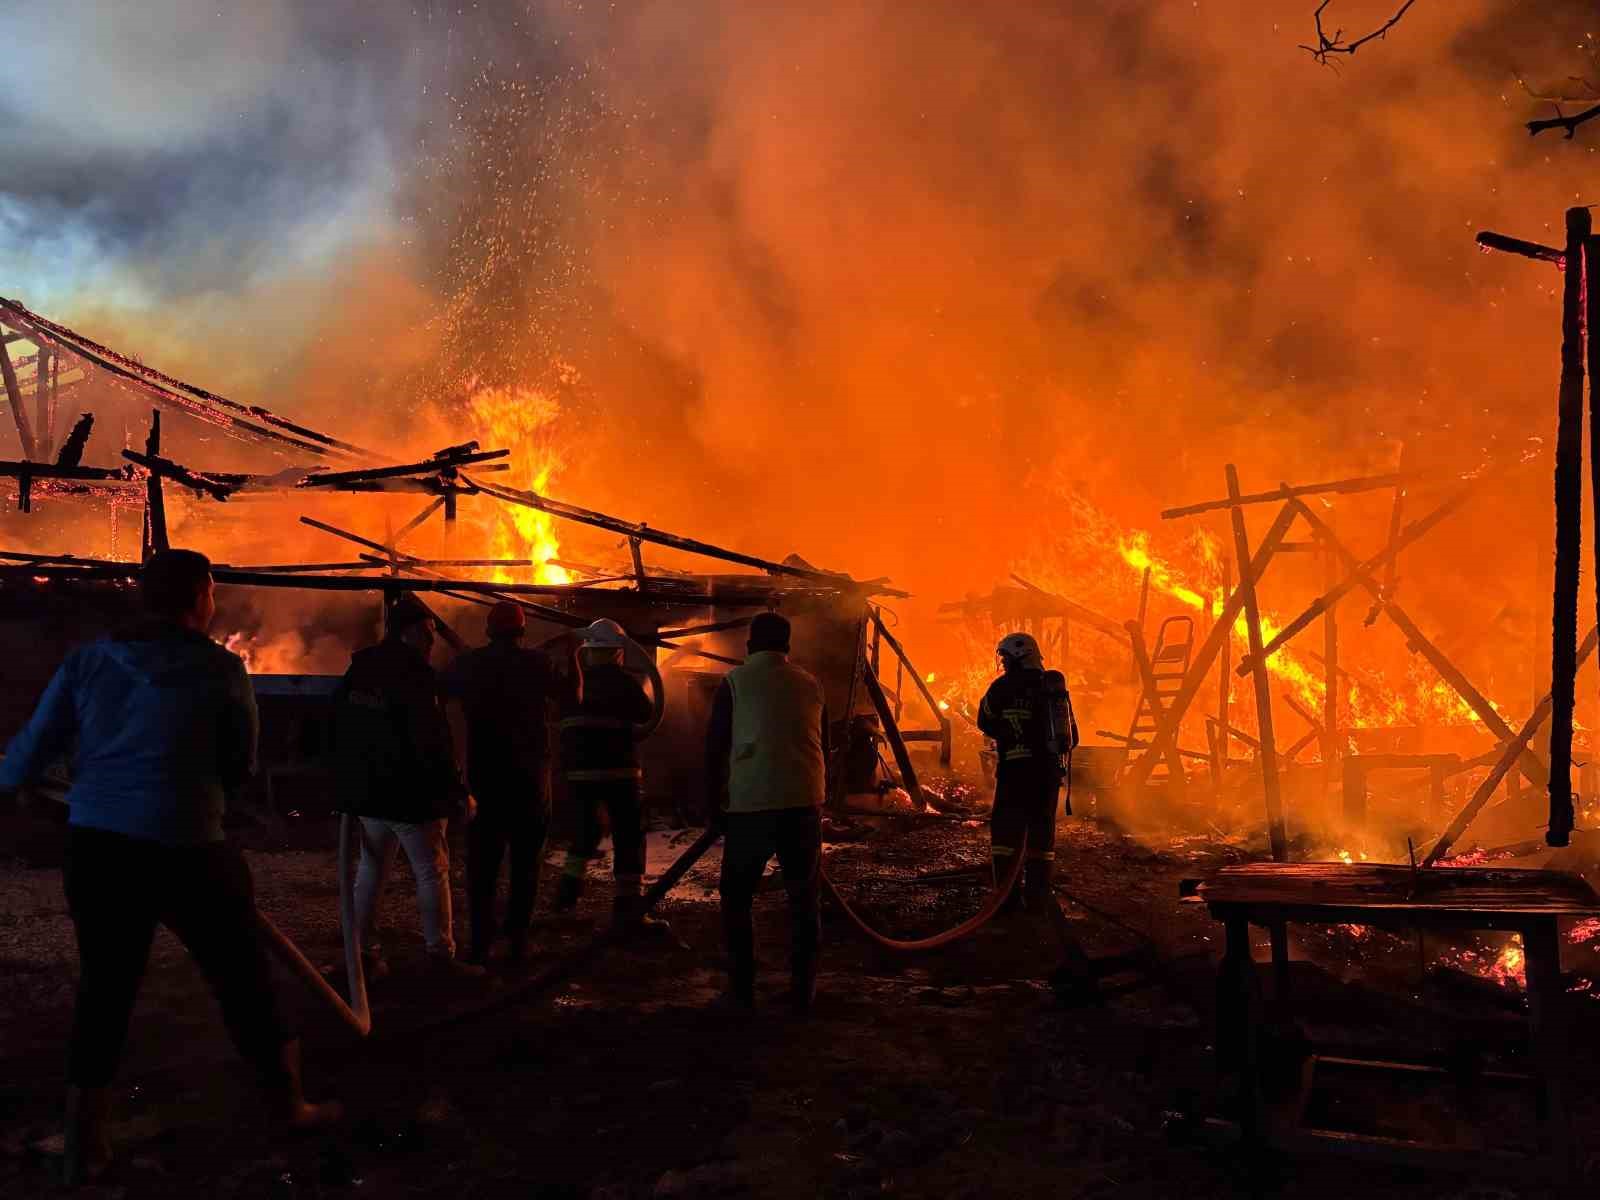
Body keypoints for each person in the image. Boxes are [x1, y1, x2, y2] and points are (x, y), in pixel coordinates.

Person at [0, 549, 341, 1185]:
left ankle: (84, 1142)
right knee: (242, 978)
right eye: (211, 591)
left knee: (105, 989)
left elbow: (28, 751)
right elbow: (239, 765)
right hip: (189, 845)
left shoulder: (89, 662)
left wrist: (18, 786)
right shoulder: (220, 670)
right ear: (199, 597)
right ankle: (289, 1106)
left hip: (100, 848)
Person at [333, 594, 483, 978]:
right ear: (410, 632)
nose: (432, 642)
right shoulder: (416, 675)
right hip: (411, 795)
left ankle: (364, 953)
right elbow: (433, 740)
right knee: (432, 872)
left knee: (371, 869)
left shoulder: (360, 668)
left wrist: (347, 784)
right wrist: (456, 790)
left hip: (369, 795)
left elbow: (340, 725)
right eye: (429, 633)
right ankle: (440, 956)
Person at [706, 612, 829, 1014]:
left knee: (737, 897)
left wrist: (713, 805)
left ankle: (742, 991)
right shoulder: (810, 684)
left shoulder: (735, 683)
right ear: (787, 647)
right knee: (803, 899)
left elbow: (715, 748)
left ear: (749, 645)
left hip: (752, 804)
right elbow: (818, 742)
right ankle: (803, 991)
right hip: (804, 802)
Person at [441, 601, 566, 965]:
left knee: (483, 866)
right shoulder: (538, 664)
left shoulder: (470, 664)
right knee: (527, 865)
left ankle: (480, 942)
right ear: (522, 631)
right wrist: (573, 657)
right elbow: (568, 697)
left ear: (489, 631)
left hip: (486, 781)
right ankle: (518, 941)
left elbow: (441, 686)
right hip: (530, 782)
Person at [555, 618, 655, 927]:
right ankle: (628, 907)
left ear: (589, 652)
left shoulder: (574, 685)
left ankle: (567, 895)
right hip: (621, 775)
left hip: (581, 775)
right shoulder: (628, 684)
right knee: (629, 837)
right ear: (618, 652)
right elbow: (647, 714)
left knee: (585, 833)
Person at [976, 632, 1078, 911]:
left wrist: (1008, 735)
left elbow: (984, 721)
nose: (1004, 663)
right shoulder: (1053, 688)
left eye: (1006, 657)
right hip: (1046, 776)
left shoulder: (1000, 688)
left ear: (1018, 657)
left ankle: (1006, 899)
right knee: (1041, 834)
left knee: (1006, 834)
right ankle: (1038, 895)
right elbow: (1073, 736)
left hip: (1014, 773)